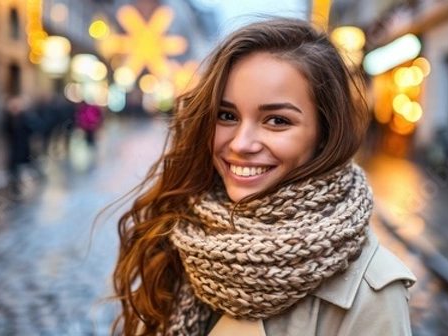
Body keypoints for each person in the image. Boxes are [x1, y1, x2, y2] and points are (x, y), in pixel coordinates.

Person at [111, 18, 416, 336]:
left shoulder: (371, 293)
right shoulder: (181, 232)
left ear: (325, 133)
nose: (241, 144)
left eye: (277, 120)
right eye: (227, 115)